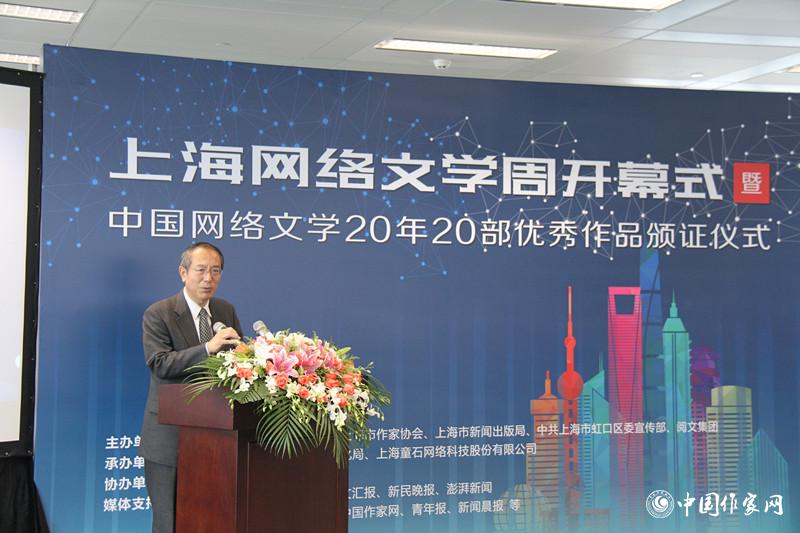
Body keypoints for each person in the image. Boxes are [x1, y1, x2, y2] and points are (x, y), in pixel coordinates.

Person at [139, 242, 242, 533]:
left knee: (210, 520)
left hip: (216, 439)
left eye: (215, 271)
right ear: (183, 273)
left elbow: (237, 361)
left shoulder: (225, 310)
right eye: (201, 270)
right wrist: (208, 348)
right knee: (169, 522)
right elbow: (160, 364)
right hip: (169, 438)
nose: (208, 278)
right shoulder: (159, 313)